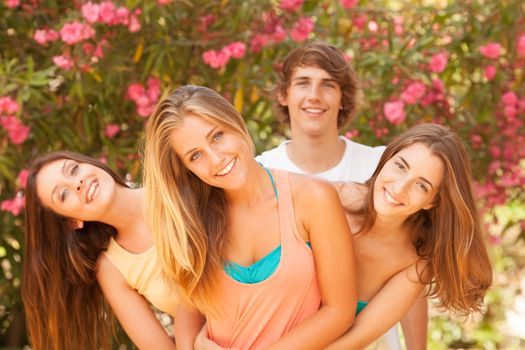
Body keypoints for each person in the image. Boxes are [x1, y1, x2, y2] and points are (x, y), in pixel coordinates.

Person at [142, 85, 357, 350]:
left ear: (234, 120)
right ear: (187, 170)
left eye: (217, 136)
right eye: (195, 156)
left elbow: (340, 311)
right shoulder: (194, 223)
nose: (216, 158)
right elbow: (190, 308)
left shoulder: (313, 198)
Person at [256, 41, 414, 349]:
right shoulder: (262, 172)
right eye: (303, 83)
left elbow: (412, 267)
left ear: (343, 98)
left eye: (328, 85)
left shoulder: (382, 168)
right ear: (283, 95)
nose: (314, 95)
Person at [324, 123, 493, 349]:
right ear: (386, 160)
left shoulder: (415, 263)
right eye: (401, 167)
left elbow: (355, 340)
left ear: (432, 201)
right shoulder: (328, 198)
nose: (400, 188)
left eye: (421, 185)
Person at [22, 151, 177, 350]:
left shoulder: (173, 183)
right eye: (63, 194)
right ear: (72, 222)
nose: (77, 183)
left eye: (74, 169)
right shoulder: (112, 269)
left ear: (92, 164)